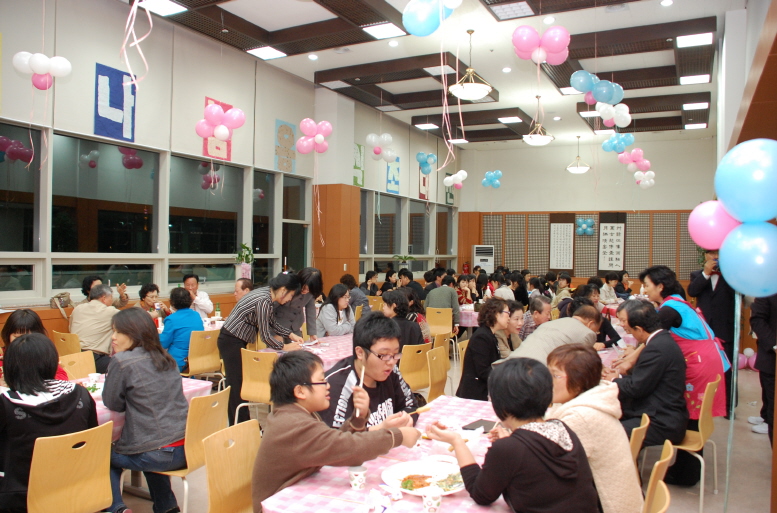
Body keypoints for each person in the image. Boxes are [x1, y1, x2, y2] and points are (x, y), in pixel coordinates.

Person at [251, 351, 421, 512]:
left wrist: (358, 419)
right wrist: (397, 436)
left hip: (297, 495)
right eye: (321, 381)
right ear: (300, 391)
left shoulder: (293, 413)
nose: (328, 386)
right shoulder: (293, 425)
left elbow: (331, 444)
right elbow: (347, 447)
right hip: (278, 507)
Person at [429, 358, 598, 512]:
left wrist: (457, 441)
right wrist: (513, 442)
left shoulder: (509, 448)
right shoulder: (563, 429)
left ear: (500, 404)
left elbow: (480, 494)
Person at [103, 309, 188, 513]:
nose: (113, 337)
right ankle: (166, 506)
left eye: (117, 332)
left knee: (101, 454)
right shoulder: (165, 357)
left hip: (159, 454)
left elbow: (112, 402)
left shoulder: (122, 361)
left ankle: (116, 508)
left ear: (133, 334)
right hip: (186, 449)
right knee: (151, 445)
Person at [0, 333, 97, 511]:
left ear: (11, 367)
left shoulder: (7, 404)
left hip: (22, 496)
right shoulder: (81, 394)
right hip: (77, 488)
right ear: (52, 361)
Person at [545, 344, 644, 513]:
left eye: (555, 375)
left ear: (578, 382)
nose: (547, 381)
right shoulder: (593, 400)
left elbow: (543, 460)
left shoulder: (581, 416)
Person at [219, 273, 305, 424]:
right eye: (291, 295)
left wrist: (291, 334)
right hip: (231, 340)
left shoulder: (266, 294)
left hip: (235, 340)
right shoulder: (264, 301)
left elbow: (271, 322)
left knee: (239, 383)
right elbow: (265, 336)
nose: (290, 299)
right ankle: (239, 425)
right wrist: (285, 346)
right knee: (236, 385)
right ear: (283, 290)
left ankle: (244, 423)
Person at [603, 300, 688, 449]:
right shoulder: (662, 341)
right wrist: (619, 377)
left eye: (631, 330)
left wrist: (614, 380)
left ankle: (628, 471)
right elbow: (644, 380)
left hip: (661, 421)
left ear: (640, 329)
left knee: (608, 434)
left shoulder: (657, 348)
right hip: (663, 412)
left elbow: (637, 388)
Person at [319, 313, 418, 429]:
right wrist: (381, 431)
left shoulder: (392, 371)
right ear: (360, 352)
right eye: (384, 355)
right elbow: (336, 441)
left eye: (395, 354)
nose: (391, 362)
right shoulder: (335, 385)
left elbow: (411, 406)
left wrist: (407, 419)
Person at [688, 249, 737, 417]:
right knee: (705, 368)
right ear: (705, 256)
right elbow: (692, 292)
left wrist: (729, 274)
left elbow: (739, 295)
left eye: (718, 254)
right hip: (704, 331)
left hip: (725, 329)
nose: (715, 257)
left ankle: (729, 407)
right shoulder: (697, 275)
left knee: (728, 368)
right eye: (711, 254)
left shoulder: (731, 276)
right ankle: (705, 403)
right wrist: (706, 274)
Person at [504, 304, 600, 365]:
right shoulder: (587, 333)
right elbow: (584, 365)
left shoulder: (551, 323)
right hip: (535, 371)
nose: (595, 333)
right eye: (596, 330)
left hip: (508, 365)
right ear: (590, 324)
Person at [456, 298, 509, 401]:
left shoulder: (490, 334)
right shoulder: (481, 337)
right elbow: (483, 371)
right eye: (507, 313)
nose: (509, 317)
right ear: (497, 315)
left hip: (484, 389)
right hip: (475, 394)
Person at [1, 309, 69, 381]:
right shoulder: (2, 356)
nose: (22, 341)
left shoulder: (43, 355)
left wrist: (39, 381)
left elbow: (62, 377)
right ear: (8, 335)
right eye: (17, 337)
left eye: (27, 337)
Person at [70, 283, 121, 373]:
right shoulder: (109, 311)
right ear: (104, 298)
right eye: (111, 298)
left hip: (72, 357)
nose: (112, 301)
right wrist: (155, 312)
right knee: (123, 365)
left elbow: (70, 328)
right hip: (93, 359)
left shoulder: (78, 308)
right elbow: (132, 318)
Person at [749, 293, 777, 442]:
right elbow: (757, 319)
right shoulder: (769, 288)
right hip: (772, 359)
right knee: (773, 406)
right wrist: (774, 344)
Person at [159, 288, 204, 372]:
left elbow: (163, 343)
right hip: (196, 360)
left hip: (178, 362)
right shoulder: (196, 315)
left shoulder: (171, 319)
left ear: (172, 302)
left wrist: (153, 335)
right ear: (190, 301)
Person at [274, 267, 323, 343]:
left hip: (295, 326)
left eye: (308, 289)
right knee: (278, 351)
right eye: (303, 288)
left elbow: (311, 310)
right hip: (279, 325)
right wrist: (274, 332)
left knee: (298, 350)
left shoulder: (312, 291)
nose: (305, 291)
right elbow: (271, 307)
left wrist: (312, 333)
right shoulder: (288, 285)